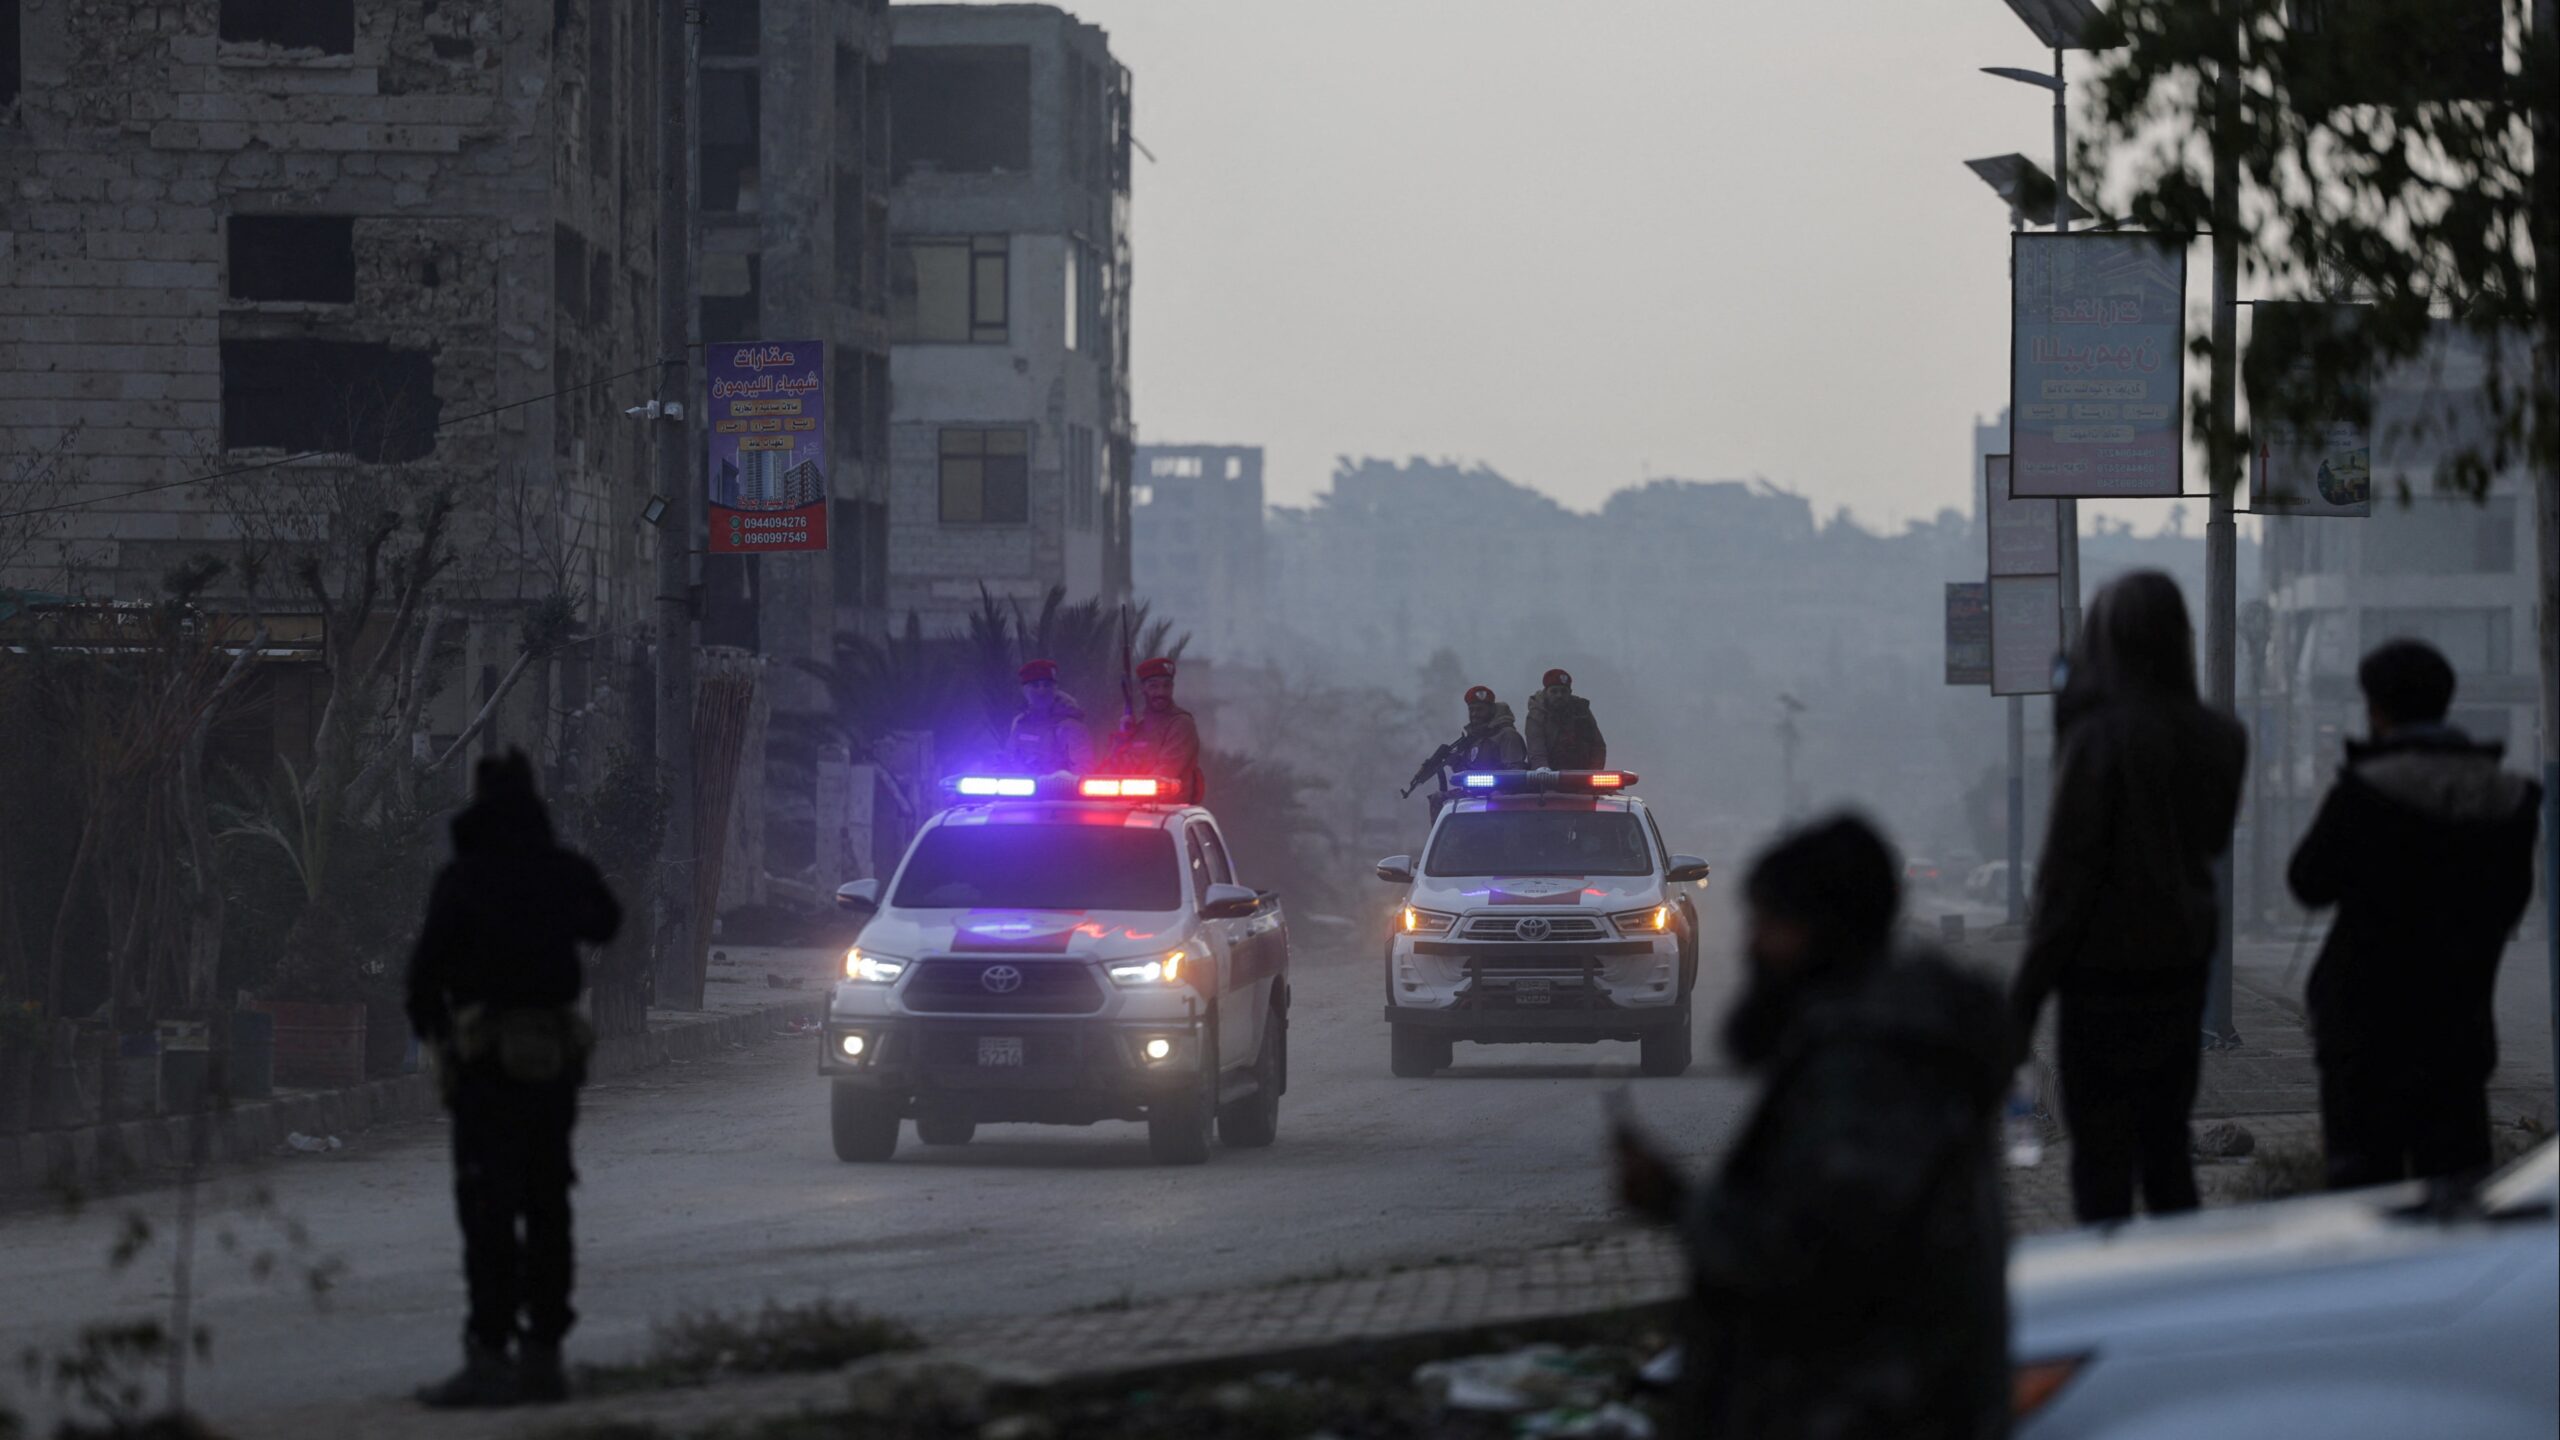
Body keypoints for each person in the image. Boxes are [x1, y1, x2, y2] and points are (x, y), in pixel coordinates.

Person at [1615, 815, 2011, 1440]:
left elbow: (1808, 1255)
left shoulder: (1877, 1068)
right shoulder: (1868, 1046)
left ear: (1820, 933)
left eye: (1770, 925)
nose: (1752, 946)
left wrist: (1677, 1203)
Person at [2010, 570, 2246, 1225]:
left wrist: (2024, 999)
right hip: (2181, 969)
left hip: (2101, 980)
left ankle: (2112, 1291)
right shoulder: (2222, 739)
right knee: (2167, 1148)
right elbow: (2207, 835)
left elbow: (2066, 880)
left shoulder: (2099, 739)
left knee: (2101, 1160)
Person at [407, 751, 623, 1408]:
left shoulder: (463, 879)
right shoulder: (560, 872)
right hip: (549, 1068)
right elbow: (607, 921)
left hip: (484, 1071)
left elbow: (421, 982)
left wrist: (444, 1039)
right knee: (547, 1204)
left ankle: (490, 1355)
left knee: (488, 1211)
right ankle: (543, 1356)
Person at [2289, 638, 2541, 1190]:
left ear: (2378, 710)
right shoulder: (2512, 799)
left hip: (2365, 1036)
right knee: (2458, 1200)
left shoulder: (2364, 793)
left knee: (2365, 1201)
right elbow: (2510, 902)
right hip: (2459, 1032)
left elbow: (2307, 880)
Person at [1103, 656, 1202, 789]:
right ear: (1143, 688)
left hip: (1168, 808)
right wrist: (1123, 738)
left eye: (1166, 686)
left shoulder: (1181, 724)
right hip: (1130, 806)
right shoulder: (1138, 728)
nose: (1161, 692)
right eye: (1153, 686)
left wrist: (1129, 791)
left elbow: (1166, 773)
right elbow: (1111, 772)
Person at [1005, 658, 1095, 775]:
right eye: (1035, 685)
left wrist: (1063, 781)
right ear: (1025, 690)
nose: (1041, 691)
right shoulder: (1019, 723)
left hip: (1060, 791)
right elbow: (1008, 759)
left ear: (1055, 688)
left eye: (1047, 685)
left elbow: (1083, 768)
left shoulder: (1071, 725)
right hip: (1024, 790)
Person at [1524, 668, 1606, 770]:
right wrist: (1542, 769)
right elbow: (1536, 747)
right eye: (1554, 691)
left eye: (1563, 691)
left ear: (1570, 692)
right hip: (1549, 774)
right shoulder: (1537, 715)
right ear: (1546, 692)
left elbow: (1598, 745)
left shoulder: (1582, 711)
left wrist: (1595, 770)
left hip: (1581, 773)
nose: (1559, 695)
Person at [1451, 684, 1528, 771]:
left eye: (1479, 709)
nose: (1474, 714)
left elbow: (1515, 774)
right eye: (1471, 710)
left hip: (1504, 785)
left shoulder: (1508, 736)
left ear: (1492, 710)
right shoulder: (1473, 738)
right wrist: (1457, 764)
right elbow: (1471, 773)